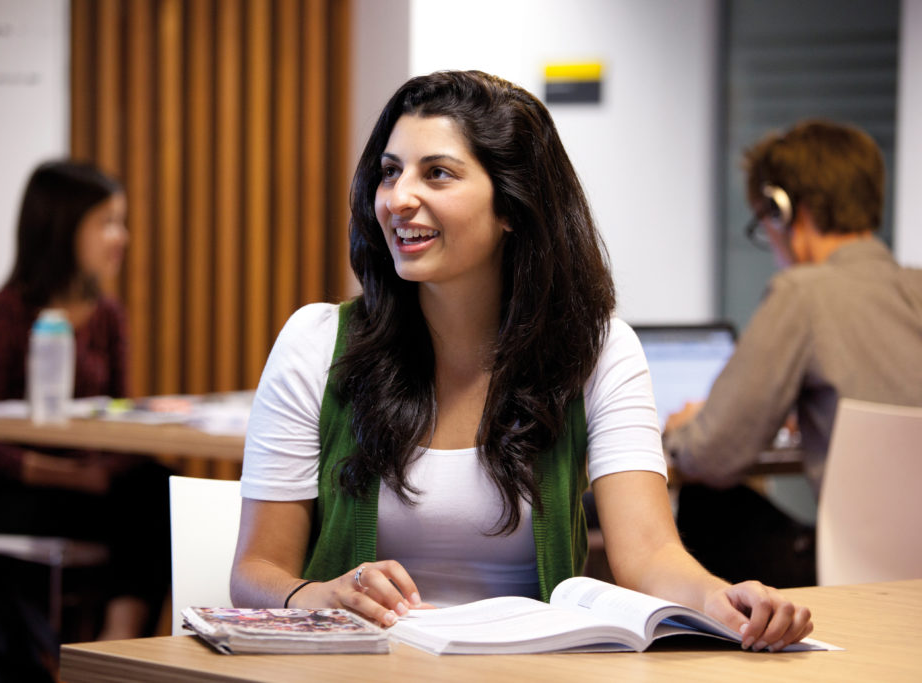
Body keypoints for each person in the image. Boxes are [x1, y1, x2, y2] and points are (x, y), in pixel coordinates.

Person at [231, 70, 812, 652]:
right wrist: (319, 594)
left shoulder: (598, 349)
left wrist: (717, 598)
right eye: (389, 171)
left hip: (532, 668)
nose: (398, 197)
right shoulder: (317, 342)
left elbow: (648, 554)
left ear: (512, 205)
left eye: (436, 173)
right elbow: (256, 572)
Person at [663, 119, 922, 586]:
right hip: (911, 570)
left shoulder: (802, 294)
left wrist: (684, 432)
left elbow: (715, 456)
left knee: (707, 504)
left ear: (783, 211)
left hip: (853, 575)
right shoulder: (915, 287)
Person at [0, 161, 172, 644]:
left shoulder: (108, 315)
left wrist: (108, 465)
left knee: (159, 489)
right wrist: (78, 476)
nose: (122, 237)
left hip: (88, 488)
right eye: (107, 223)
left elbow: (119, 414)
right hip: (12, 492)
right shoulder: (2, 316)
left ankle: (118, 646)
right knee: (143, 508)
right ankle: (110, 652)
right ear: (60, 229)